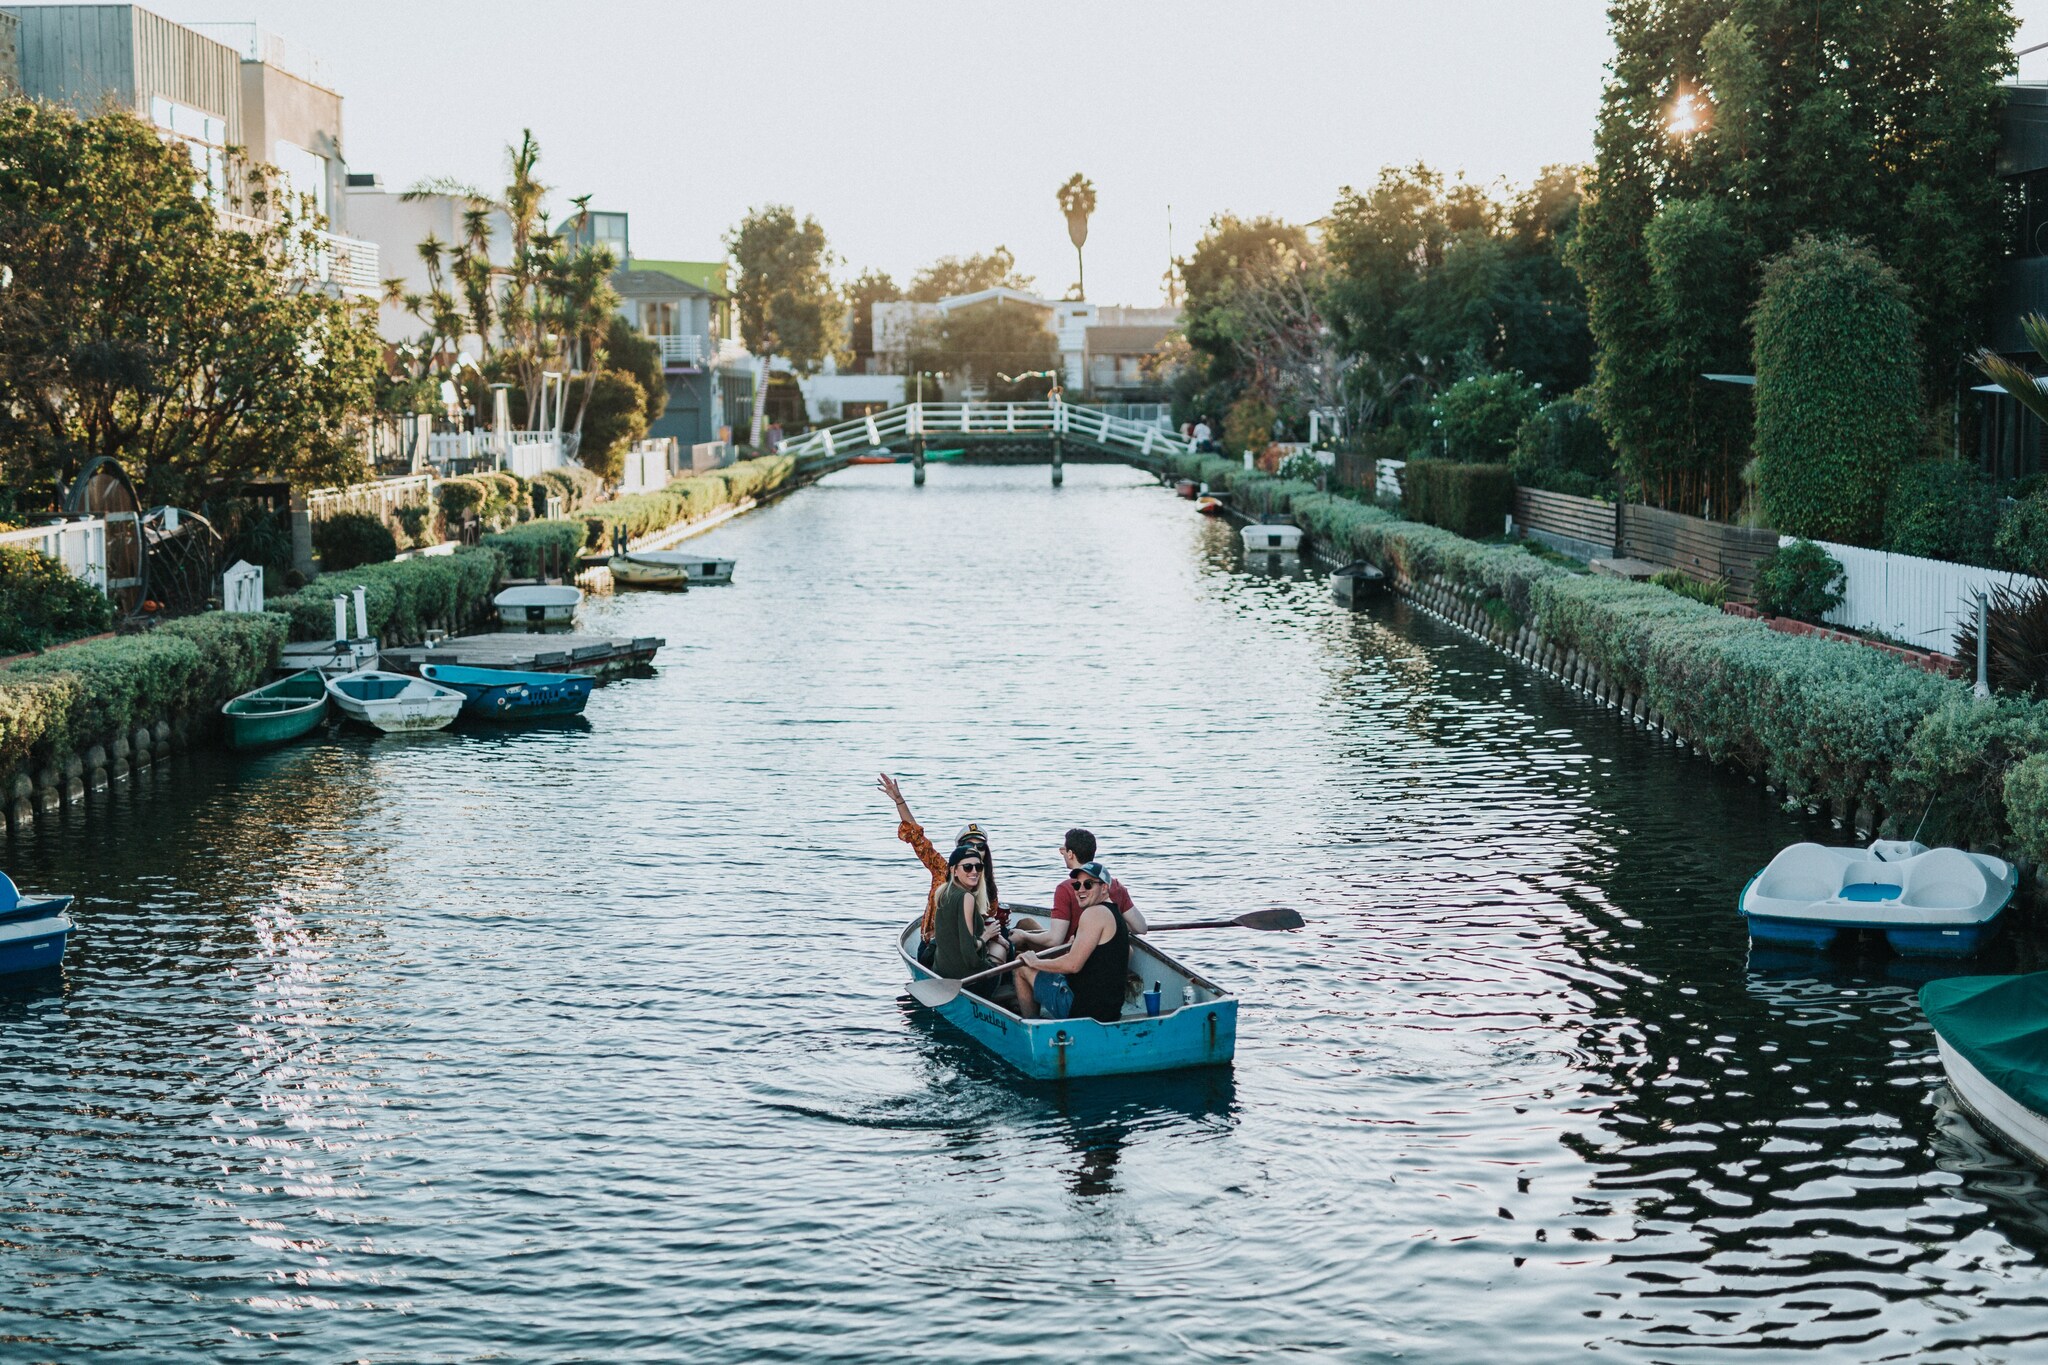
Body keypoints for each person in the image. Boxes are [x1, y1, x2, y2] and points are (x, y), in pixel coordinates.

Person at [877, 773, 1005, 951]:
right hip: (933, 947)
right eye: (969, 845)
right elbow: (917, 837)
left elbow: (982, 924)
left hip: (968, 948)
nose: (975, 850)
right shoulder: (942, 870)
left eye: (980, 846)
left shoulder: (988, 887)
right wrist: (899, 801)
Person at [1016, 862, 1131, 1022]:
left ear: (1104, 888)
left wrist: (1035, 962)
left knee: (1021, 966)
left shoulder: (1093, 913)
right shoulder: (1116, 915)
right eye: (1077, 885)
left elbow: (1072, 965)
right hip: (1110, 1010)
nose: (1080, 890)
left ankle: (1033, 1027)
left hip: (1081, 1012)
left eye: (1088, 884)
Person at [1012, 827, 1145, 957]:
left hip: (1070, 953)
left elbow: (1055, 939)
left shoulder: (1066, 888)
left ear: (1070, 854)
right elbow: (1141, 927)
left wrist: (1024, 936)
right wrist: (1112, 928)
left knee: (1021, 946)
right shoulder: (1115, 885)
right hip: (1102, 952)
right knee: (1026, 923)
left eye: (1063, 850)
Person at [927, 841, 1009, 988]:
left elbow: (956, 939)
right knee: (1002, 951)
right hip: (968, 979)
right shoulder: (967, 898)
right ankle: (1004, 993)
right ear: (954, 871)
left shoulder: (944, 893)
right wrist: (987, 935)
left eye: (978, 867)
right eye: (967, 867)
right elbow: (968, 949)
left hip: (941, 971)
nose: (974, 871)